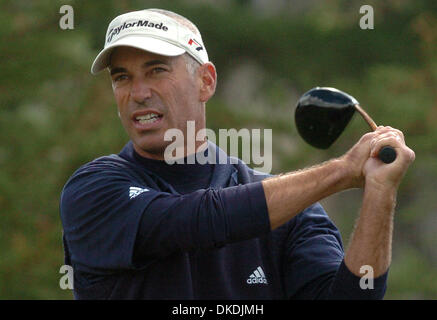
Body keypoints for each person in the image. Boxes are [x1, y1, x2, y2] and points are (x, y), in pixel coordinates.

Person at [60, 8, 415, 299]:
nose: (137, 92)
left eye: (156, 70)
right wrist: (341, 172)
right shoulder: (93, 190)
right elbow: (202, 220)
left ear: (206, 81)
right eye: (122, 77)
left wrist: (379, 192)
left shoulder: (294, 211)